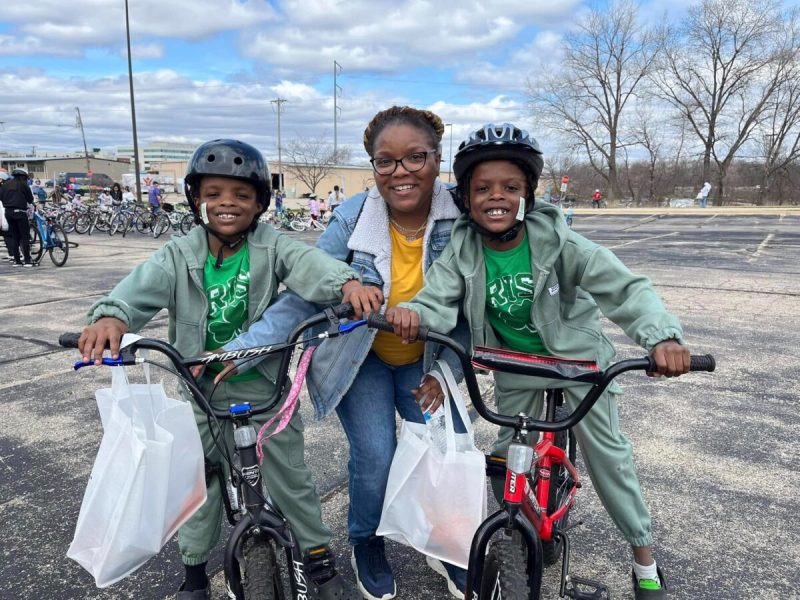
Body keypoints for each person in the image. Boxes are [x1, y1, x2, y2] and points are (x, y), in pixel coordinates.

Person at [385, 123, 693, 600]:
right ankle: (519, 527)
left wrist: (662, 338)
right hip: (516, 365)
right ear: (465, 198)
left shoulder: (558, 242)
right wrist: (412, 314)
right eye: (482, 188)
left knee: (608, 457)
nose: (496, 197)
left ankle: (643, 558)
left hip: (578, 362)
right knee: (505, 454)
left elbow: (625, 288)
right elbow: (437, 300)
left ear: (528, 193)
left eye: (511, 187)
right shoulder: (464, 248)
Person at [76, 138, 381, 600]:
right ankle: (195, 575)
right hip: (201, 394)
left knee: (292, 479)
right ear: (197, 198)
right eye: (214, 193)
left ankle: (320, 565)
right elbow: (140, 288)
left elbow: (308, 263)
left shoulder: (272, 244)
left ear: (260, 203)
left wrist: (346, 283)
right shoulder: (179, 253)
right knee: (195, 485)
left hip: (265, 392)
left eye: (241, 195)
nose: (226, 204)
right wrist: (113, 316)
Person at [215, 106, 470, 600]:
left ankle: (445, 546)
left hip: (429, 361)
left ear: (438, 159)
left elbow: (471, 311)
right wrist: (243, 350)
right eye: (385, 162)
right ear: (373, 166)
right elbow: (306, 292)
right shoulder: (353, 215)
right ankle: (367, 541)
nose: (400, 172)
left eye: (415, 158)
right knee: (376, 455)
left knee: (445, 452)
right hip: (363, 357)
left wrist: (448, 368)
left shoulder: (462, 215)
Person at [0, 168, 35, 267]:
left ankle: (17, 261)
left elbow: (1, 198)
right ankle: (27, 261)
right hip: (20, 212)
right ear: (23, 177)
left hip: (8, 212)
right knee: (24, 237)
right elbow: (30, 199)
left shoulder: (5, 185)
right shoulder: (23, 185)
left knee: (14, 236)